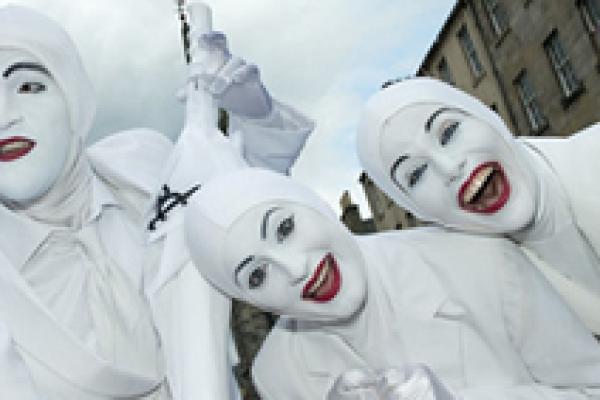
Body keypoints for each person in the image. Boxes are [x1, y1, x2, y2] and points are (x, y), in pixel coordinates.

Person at [0, 5, 312, 399]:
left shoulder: (143, 167)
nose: (4, 117)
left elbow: (249, 204)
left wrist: (256, 114)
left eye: (28, 87)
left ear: (74, 96)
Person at [184, 167, 600, 400]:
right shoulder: (277, 373)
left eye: (284, 228)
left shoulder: (479, 257)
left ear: (316, 205)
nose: (295, 269)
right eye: (257, 275)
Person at [356, 77, 600, 333]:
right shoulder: (483, 309)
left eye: (448, 132)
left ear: (485, 117)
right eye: (416, 174)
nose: (450, 167)